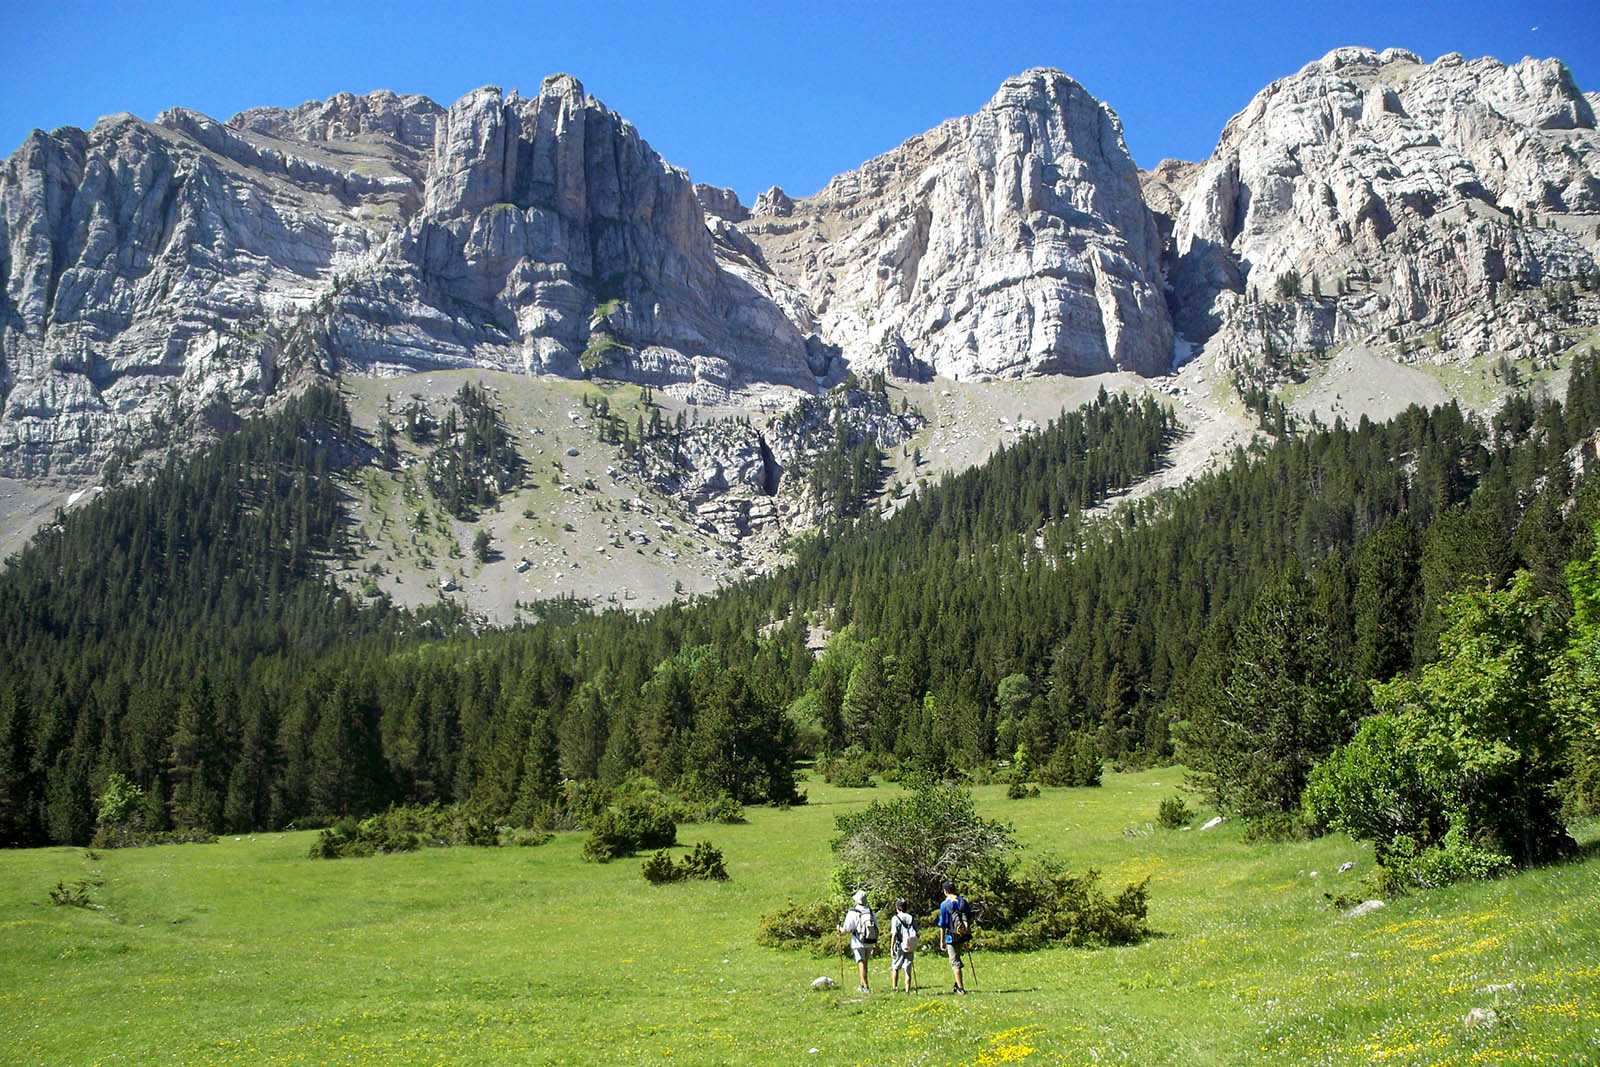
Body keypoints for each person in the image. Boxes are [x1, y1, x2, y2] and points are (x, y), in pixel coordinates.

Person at [936, 880, 973, 995]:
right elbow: (970, 918)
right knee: (957, 958)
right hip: (962, 935)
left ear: (945, 891)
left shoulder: (944, 904)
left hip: (951, 937)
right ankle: (957, 984)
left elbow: (942, 924)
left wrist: (941, 941)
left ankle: (960, 988)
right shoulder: (963, 902)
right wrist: (966, 933)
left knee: (955, 962)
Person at [838, 889, 876, 993]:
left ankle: (865, 986)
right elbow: (876, 926)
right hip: (870, 941)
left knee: (861, 963)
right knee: (865, 963)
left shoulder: (853, 912)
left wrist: (840, 929)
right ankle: (862, 984)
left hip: (858, 941)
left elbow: (846, 928)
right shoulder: (871, 912)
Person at [888, 897, 918, 992]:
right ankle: (907, 990)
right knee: (908, 967)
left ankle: (894, 988)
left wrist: (891, 948)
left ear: (897, 908)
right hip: (909, 945)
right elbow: (917, 933)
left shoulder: (895, 918)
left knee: (896, 966)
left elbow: (894, 934)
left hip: (899, 945)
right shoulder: (911, 917)